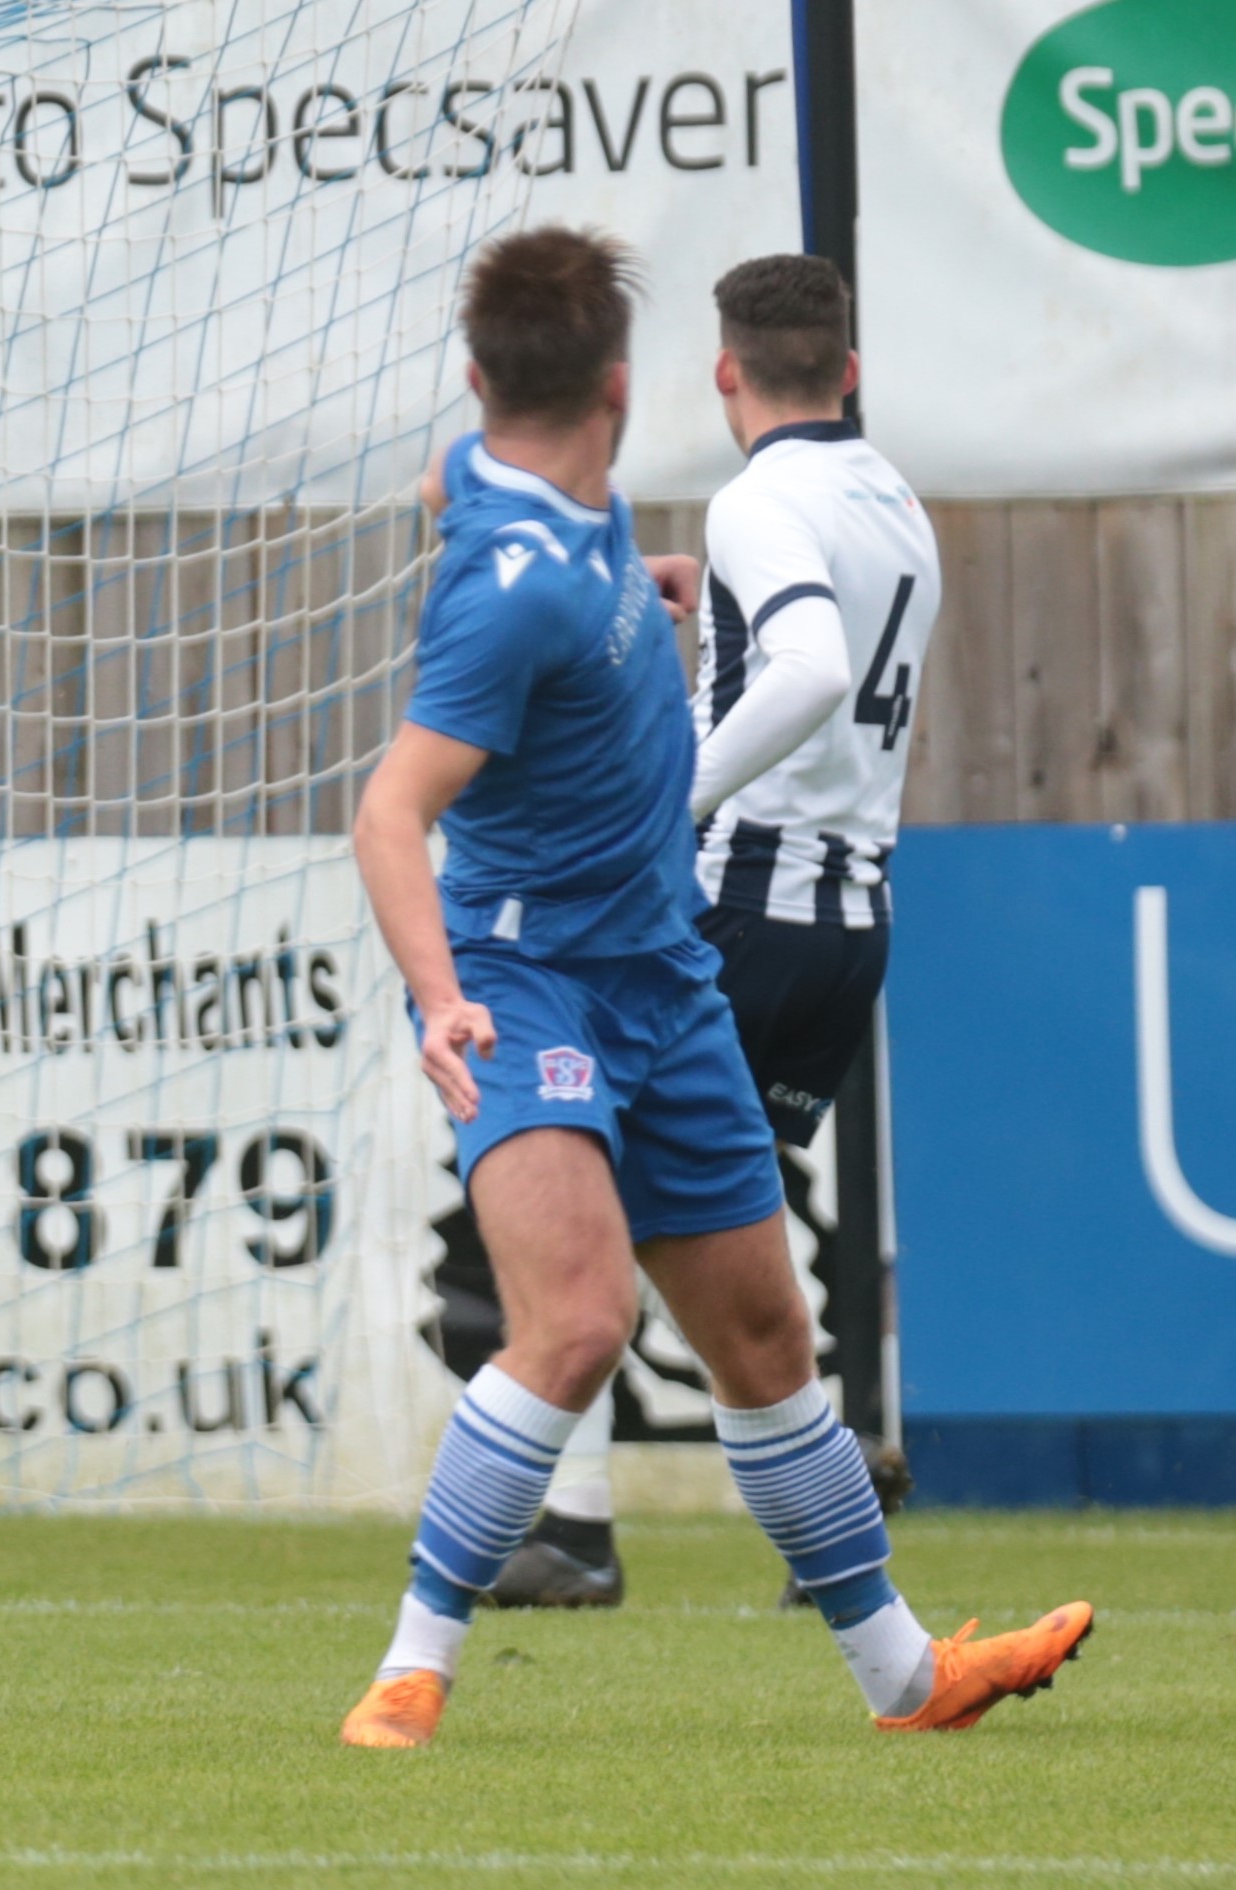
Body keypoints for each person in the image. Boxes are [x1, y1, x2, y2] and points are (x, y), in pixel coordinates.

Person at [337, 228, 1086, 1748]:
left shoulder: (559, 505)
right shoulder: (513, 589)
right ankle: (407, 1670)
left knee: (764, 1345)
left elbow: (457, 488)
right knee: (573, 1318)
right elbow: (385, 811)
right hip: (532, 979)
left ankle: (902, 1677)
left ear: (489, 384)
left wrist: (641, 584)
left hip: (669, 977)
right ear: (623, 381)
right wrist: (438, 998)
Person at [488, 253, 941, 1613]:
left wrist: (663, 796)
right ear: (846, 372)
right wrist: (710, 618)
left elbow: (802, 667)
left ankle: (568, 1528)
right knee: (718, 1230)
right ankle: (832, 1494)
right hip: (848, 922)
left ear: (722, 373)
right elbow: (815, 653)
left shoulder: (759, 500)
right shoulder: (890, 500)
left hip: (741, 904)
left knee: (581, 1209)